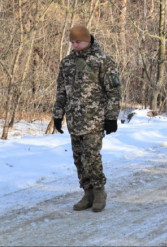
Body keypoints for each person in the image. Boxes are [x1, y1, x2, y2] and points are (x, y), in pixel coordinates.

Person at [52, 25, 121, 213]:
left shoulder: (102, 61)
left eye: (78, 42)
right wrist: (58, 114)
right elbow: (61, 91)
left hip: (95, 119)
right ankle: (87, 192)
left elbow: (114, 91)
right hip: (74, 119)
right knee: (79, 159)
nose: (75, 45)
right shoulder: (66, 63)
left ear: (88, 40)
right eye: (72, 42)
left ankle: (99, 191)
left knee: (91, 156)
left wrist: (111, 117)